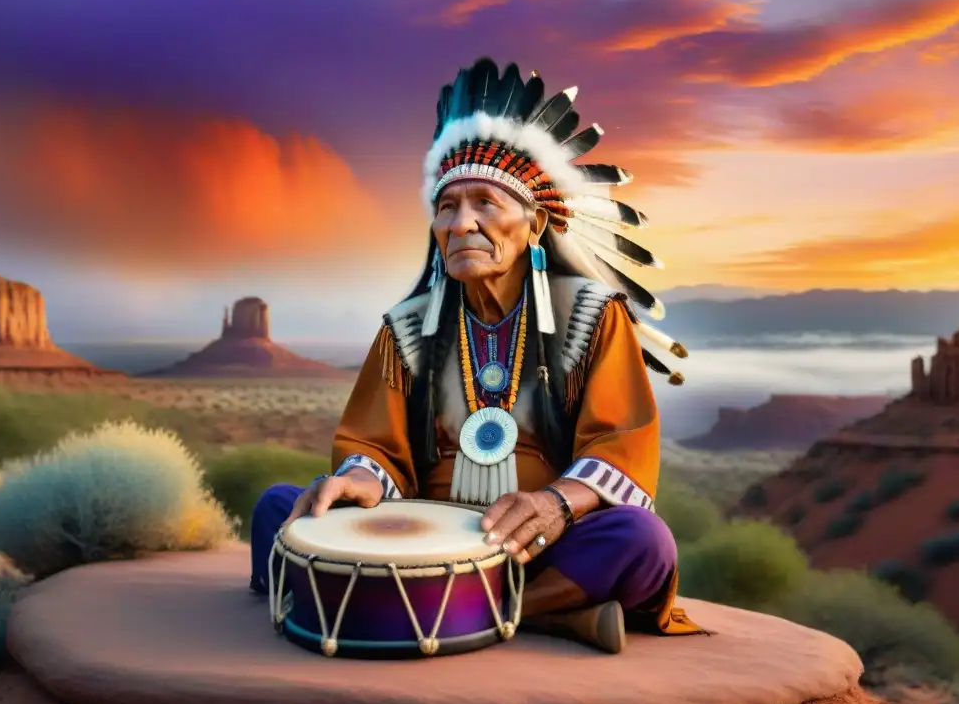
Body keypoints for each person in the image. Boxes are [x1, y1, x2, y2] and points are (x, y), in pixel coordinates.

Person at [249, 57, 705, 654]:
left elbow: (621, 444)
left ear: (536, 224)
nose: (461, 223)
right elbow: (372, 445)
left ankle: (416, 612)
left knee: (642, 541)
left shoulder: (594, 317)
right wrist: (359, 476)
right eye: (446, 207)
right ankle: (543, 618)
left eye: (485, 203)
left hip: (537, 547)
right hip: (415, 539)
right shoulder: (406, 329)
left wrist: (556, 503)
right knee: (281, 509)